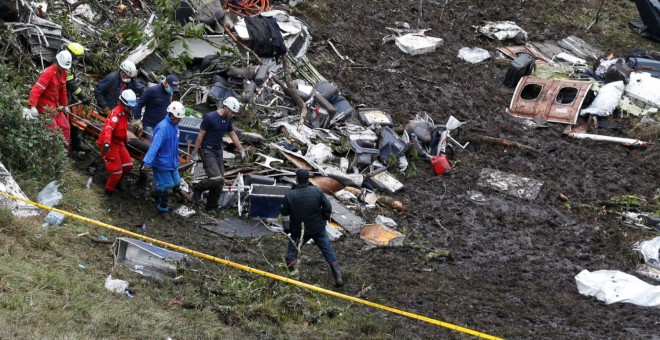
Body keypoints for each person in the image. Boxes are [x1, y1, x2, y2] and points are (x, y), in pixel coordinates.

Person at [280, 169, 343, 287]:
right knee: (327, 250)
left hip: (298, 230)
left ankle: (292, 278)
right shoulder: (317, 191)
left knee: (292, 253)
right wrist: (324, 218)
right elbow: (328, 207)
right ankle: (338, 277)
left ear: (296, 179)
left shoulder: (290, 195)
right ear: (308, 179)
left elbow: (284, 212)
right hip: (318, 228)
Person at [191, 97, 246, 210]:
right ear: (226, 107)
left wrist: (241, 149)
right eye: (232, 112)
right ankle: (198, 188)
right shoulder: (210, 117)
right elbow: (200, 136)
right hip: (207, 150)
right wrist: (195, 152)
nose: (233, 115)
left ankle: (211, 206)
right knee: (216, 178)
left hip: (217, 151)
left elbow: (233, 135)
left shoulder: (227, 120)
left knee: (220, 181)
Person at [143, 101, 186, 220]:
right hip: (162, 164)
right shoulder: (163, 128)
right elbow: (154, 146)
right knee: (166, 188)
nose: (180, 120)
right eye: (178, 118)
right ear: (172, 115)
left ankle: (156, 193)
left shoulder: (175, 126)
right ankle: (162, 209)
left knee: (176, 184)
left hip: (172, 162)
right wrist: (147, 162)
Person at [28, 50, 72, 150]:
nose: (65, 68)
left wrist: (65, 105)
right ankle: (53, 152)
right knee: (53, 129)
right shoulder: (48, 73)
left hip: (55, 105)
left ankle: (64, 151)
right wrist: (33, 106)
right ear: (58, 62)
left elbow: (63, 90)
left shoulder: (63, 73)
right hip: (45, 106)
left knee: (66, 127)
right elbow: (37, 89)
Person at [97, 89, 137, 197]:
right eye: (129, 107)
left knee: (129, 165)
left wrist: (125, 141)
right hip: (110, 143)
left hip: (119, 142)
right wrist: (106, 143)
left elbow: (123, 130)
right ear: (123, 104)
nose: (130, 109)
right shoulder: (116, 114)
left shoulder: (126, 113)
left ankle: (118, 181)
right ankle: (108, 192)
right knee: (116, 171)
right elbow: (109, 128)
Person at [63, 42, 92, 152]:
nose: (77, 60)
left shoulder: (70, 64)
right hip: (60, 94)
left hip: (67, 93)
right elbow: (70, 82)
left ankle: (75, 143)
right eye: (77, 58)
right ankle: (66, 145)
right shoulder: (64, 63)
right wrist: (82, 96)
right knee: (67, 119)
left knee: (73, 118)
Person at [133, 74, 180, 140]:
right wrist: (137, 120)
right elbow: (139, 104)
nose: (172, 90)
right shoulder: (152, 91)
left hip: (162, 126)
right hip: (149, 126)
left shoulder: (169, 93)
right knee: (154, 144)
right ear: (166, 83)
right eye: (171, 88)